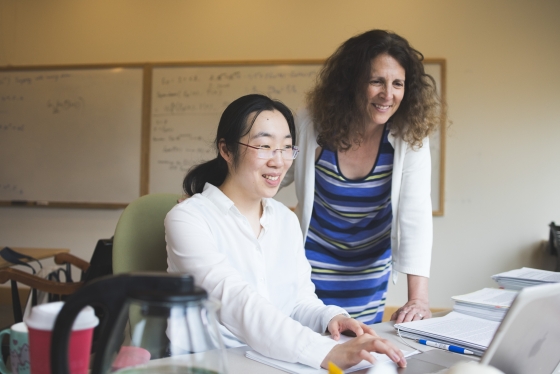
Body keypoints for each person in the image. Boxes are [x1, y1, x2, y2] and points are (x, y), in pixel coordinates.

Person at [165, 94, 407, 370]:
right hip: (209, 364)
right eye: (265, 146)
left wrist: (330, 317)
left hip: (274, 362)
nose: (279, 162)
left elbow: (298, 301)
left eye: (287, 148)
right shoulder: (189, 219)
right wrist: (326, 351)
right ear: (226, 150)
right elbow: (235, 302)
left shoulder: (284, 220)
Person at [281, 29, 442, 325]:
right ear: (351, 82)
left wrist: (418, 299)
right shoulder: (311, 123)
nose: (388, 94)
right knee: (310, 351)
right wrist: (213, 195)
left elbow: (415, 215)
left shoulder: (409, 136)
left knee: (360, 356)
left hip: (369, 274)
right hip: (311, 266)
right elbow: (272, 172)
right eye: (376, 81)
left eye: (398, 84)